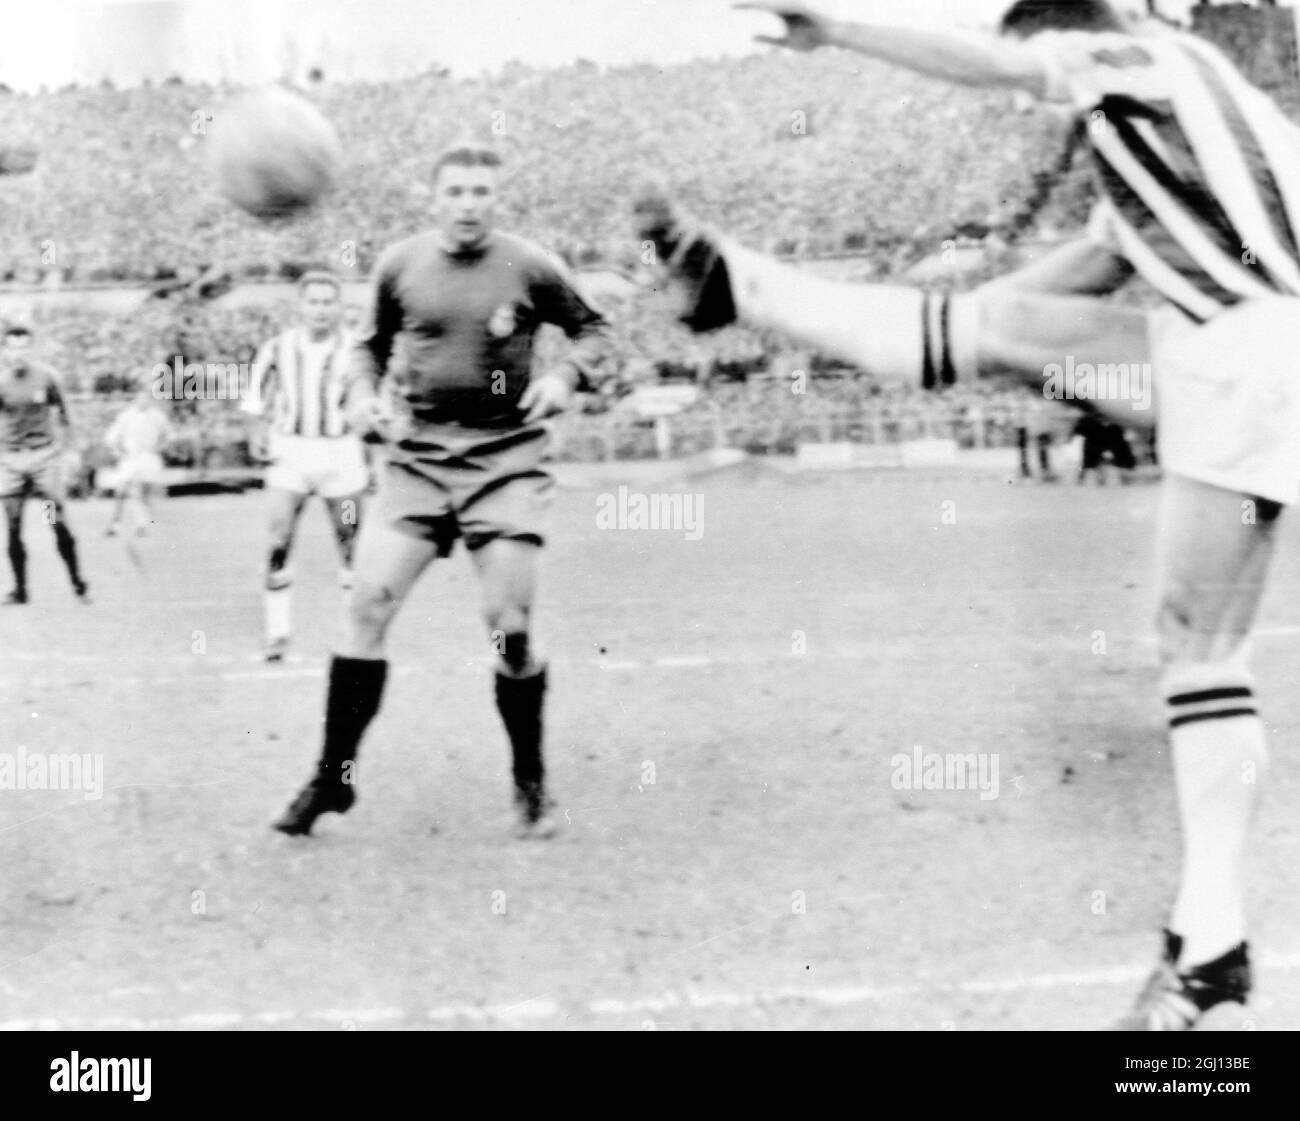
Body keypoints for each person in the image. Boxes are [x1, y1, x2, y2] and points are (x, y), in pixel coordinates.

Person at [640, 0, 1300, 1029]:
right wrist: (928, 325)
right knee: (1196, 643)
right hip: (1243, 350)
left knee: (1201, 646)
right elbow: (1023, 312)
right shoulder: (1160, 160)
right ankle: (1203, 962)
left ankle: (1215, 959)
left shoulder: (1142, 54)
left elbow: (989, 66)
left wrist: (837, 29)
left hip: (1254, 347)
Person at [273, 144, 609, 839]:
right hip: (418, 455)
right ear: (435, 197)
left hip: (505, 457)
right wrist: (363, 394)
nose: (468, 203)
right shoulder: (400, 264)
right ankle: (332, 781)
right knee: (366, 604)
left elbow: (594, 332)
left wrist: (566, 377)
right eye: (455, 190)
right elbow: (367, 345)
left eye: (481, 190)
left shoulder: (532, 264)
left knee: (508, 625)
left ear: (496, 196)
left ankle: (531, 783)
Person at [242, 271, 368, 662]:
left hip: (341, 454)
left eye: (328, 302)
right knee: (278, 540)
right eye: (313, 302)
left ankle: (354, 636)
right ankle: (277, 632)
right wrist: (256, 433)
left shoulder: (356, 350)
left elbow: (372, 397)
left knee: (352, 548)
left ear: (339, 307)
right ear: (301, 306)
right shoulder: (278, 348)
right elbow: (252, 401)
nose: (321, 310)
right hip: (291, 455)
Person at [0, 324, 89, 605]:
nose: (19, 352)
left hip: (43, 460)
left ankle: (77, 582)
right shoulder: (1, 382)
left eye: (24, 346)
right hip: (12, 462)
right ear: (5, 349)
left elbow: (66, 415)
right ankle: (20, 589)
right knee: (13, 526)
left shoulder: (47, 378)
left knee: (54, 520)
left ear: (31, 348)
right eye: (13, 346)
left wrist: (72, 451)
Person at [104, 382, 172, 539]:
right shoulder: (126, 416)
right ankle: (115, 524)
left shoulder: (157, 416)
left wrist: (158, 448)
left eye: (147, 398)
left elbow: (168, 436)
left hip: (149, 458)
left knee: (144, 492)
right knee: (121, 491)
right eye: (140, 398)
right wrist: (119, 452)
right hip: (130, 458)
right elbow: (112, 437)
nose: (144, 401)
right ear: (135, 399)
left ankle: (142, 524)